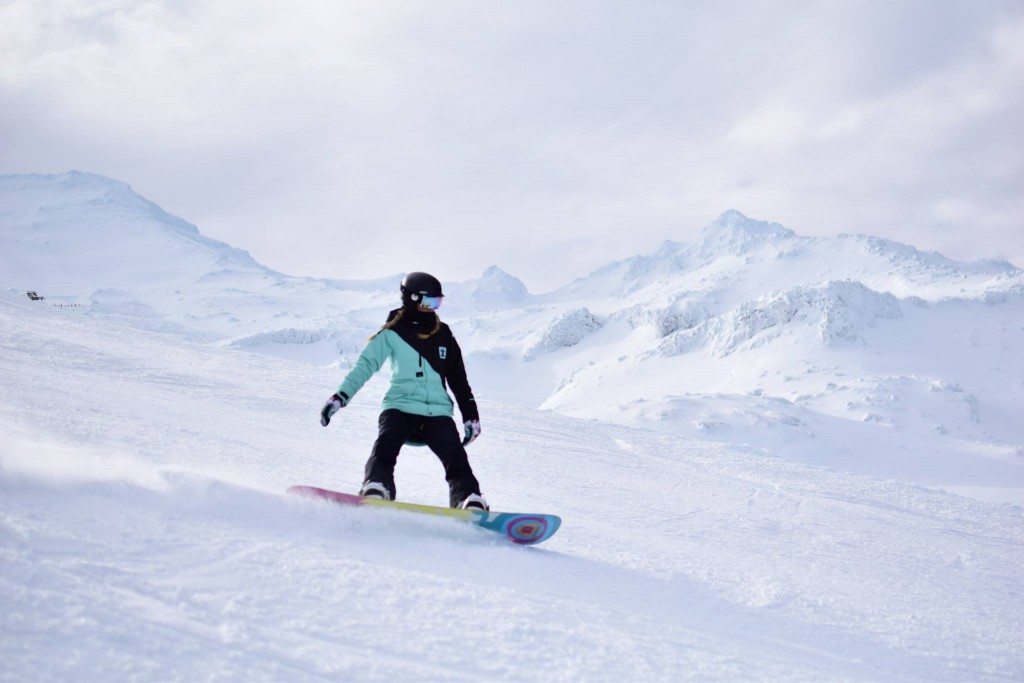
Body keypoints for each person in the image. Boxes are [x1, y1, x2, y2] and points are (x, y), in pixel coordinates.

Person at [319, 272, 488, 511]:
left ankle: (468, 499)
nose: (433, 309)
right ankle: (377, 486)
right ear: (413, 299)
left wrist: (471, 417)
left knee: (456, 458)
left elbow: (459, 380)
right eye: (429, 303)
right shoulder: (392, 333)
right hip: (399, 406)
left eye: (437, 303)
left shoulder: (444, 335)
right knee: (385, 445)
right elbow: (364, 366)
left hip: (437, 411)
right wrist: (340, 397)